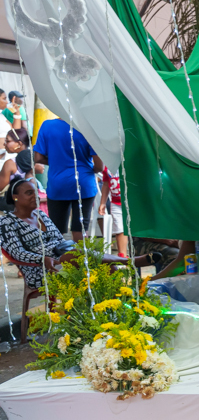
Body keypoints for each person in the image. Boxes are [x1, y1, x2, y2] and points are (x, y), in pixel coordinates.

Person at [0, 179, 160, 291]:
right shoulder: (7, 222)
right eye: (29, 193)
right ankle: (129, 261)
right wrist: (43, 259)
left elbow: (59, 240)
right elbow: (17, 253)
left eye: (35, 192)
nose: (35, 196)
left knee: (108, 268)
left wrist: (62, 253)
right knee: (75, 255)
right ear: (15, 197)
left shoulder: (40, 215)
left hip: (63, 258)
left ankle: (113, 310)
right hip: (41, 270)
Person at [33, 118, 101, 241]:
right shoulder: (87, 125)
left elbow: (38, 158)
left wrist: (56, 162)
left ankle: (58, 259)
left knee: (56, 230)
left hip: (58, 184)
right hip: (84, 183)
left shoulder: (47, 126)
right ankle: (80, 258)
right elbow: (99, 166)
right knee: (79, 228)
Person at [97, 167, 127, 258]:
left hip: (130, 202)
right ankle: (123, 256)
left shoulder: (128, 162)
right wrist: (103, 202)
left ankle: (137, 254)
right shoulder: (108, 166)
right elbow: (106, 184)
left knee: (131, 229)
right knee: (119, 229)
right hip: (116, 203)